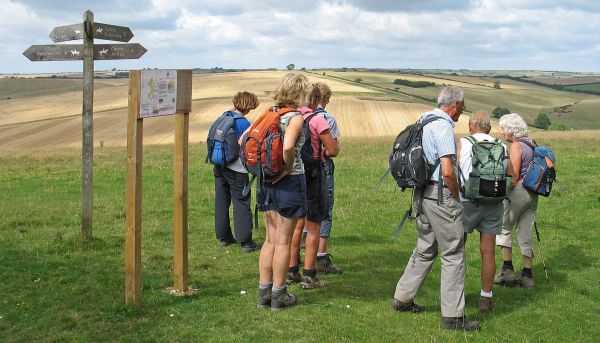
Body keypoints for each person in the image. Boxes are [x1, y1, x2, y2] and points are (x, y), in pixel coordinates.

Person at [391, 86, 480, 331]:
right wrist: (456, 196)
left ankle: (402, 298)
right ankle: (453, 317)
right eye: (461, 108)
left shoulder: (424, 120)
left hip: (421, 195)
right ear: (453, 105)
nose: (461, 112)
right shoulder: (442, 127)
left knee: (425, 249)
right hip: (440, 195)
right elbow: (448, 170)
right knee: (453, 253)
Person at [256, 73, 310, 311]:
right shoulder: (294, 117)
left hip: (266, 180)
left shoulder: (270, 113)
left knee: (270, 239)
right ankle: (279, 295)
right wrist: (287, 169)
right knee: (283, 242)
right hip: (288, 182)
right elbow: (288, 146)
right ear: (300, 92)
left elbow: (244, 141)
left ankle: (264, 293)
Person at [457, 111, 516, 313]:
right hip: (493, 203)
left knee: (457, 250)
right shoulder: (502, 146)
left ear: (471, 126)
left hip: (466, 201)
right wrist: (500, 194)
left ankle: (456, 295)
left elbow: (453, 172)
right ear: (489, 128)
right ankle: (486, 299)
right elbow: (513, 179)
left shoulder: (463, 143)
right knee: (488, 252)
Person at [287, 84, 339, 289]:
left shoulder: (292, 116)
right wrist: (323, 154)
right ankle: (309, 274)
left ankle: (291, 270)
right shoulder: (318, 119)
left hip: (293, 174)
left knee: (296, 224)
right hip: (314, 175)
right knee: (314, 224)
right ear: (316, 99)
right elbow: (333, 150)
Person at [494, 113, 539, 288]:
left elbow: (513, 177)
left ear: (512, 129)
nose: (502, 132)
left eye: (503, 128)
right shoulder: (532, 143)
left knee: (504, 228)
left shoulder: (516, 146)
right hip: (533, 192)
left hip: (519, 190)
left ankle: (507, 272)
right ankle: (527, 276)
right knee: (525, 232)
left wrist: (502, 194)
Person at [213, 91, 260, 252]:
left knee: (221, 201)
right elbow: (245, 147)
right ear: (250, 106)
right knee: (241, 202)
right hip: (236, 169)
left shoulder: (224, 116)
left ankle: (224, 237)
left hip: (219, 165)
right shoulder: (244, 124)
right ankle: (246, 242)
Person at [313, 82, 343, 275]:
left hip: (302, 170)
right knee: (325, 211)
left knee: (305, 211)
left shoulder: (300, 115)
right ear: (324, 99)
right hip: (322, 168)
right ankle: (321, 256)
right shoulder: (327, 119)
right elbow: (333, 150)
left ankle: (299, 254)